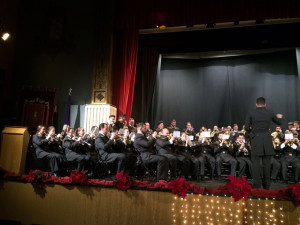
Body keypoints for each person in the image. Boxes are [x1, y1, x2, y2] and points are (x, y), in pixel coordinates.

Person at [245, 97, 283, 189]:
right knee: (267, 165)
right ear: (265, 104)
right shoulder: (269, 112)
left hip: (256, 140)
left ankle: (257, 186)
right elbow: (279, 123)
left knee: (256, 164)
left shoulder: (251, 112)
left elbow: (246, 127)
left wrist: (252, 135)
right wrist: (280, 117)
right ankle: (267, 186)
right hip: (267, 140)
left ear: (256, 104)